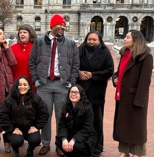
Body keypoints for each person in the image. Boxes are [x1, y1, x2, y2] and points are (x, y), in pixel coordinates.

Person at [29, 14, 80, 156]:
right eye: (61, 24)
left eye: (64, 25)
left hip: (62, 84)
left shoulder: (70, 43)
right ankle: (45, 144)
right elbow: (32, 62)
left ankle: (59, 144)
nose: (63, 27)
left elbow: (75, 65)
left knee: (61, 117)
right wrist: (36, 80)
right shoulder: (39, 42)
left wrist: (71, 82)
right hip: (44, 85)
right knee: (45, 116)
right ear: (53, 25)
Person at [112, 30, 153, 157]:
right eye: (125, 37)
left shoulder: (145, 57)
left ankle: (137, 152)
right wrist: (115, 78)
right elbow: (118, 72)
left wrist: (139, 100)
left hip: (135, 98)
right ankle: (124, 151)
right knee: (123, 126)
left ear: (136, 40)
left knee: (136, 127)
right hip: (122, 96)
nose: (124, 39)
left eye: (127, 37)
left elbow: (145, 81)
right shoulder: (125, 54)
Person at [77, 30, 114, 156]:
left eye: (94, 39)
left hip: (96, 92)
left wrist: (93, 75)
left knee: (96, 121)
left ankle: (97, 147)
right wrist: (79, 73)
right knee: (81, 120)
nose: (91, 42)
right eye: (89, 39)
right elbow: (73, 65)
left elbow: (109, 70)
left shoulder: (105, 52)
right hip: (81, 92)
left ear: (99, 41)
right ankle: (82, 145)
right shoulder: (80, 50)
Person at [0, 76, 49, 157]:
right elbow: (1, 115)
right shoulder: (9, 100)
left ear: (28, 87)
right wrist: (12, 129)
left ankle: (30, 150)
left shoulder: (35, 98)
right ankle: (15, 150)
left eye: (25, 84)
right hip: (15, 129)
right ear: (16, 86)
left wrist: (36, 126)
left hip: (30, 128)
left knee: (36, 139)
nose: (22, 87)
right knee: (17, 141)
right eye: (20, 85)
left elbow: (44, 113)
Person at [55, 84, 97, 157]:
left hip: (86, 136)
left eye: (76, 92)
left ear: (81, 94)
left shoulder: (87, 108)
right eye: (71, 92)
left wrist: (74, 140)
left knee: (76, 146)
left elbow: (87, 129)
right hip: (71, 133)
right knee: (59, 141)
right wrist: (64, 139)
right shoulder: (65, 106)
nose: (73, 94)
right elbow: (62, 125)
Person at [10, 24, 37, 92]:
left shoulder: (36, 48)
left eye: (24, 32)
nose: (22, 34)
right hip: (17, 84)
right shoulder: (12, 48)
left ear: (30, 34)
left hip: (32, 84)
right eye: (20, 32)